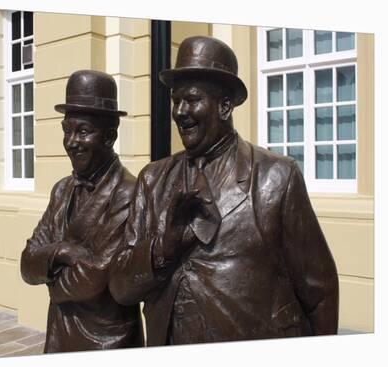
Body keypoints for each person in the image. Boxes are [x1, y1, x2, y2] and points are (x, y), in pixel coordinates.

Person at [109, 36, 339, 346]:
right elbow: (122, 287)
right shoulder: (153, 180)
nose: (179, 111)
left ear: (225, 106)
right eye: (176, 100)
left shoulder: (275, 176)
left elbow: (319, 291)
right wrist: (164, 247)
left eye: (191, 99)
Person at [20, 70, 144, 353]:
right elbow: (27, 264)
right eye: (67, 130)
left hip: (108, 341)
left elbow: (91, 279)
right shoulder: (62, 190)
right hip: (60, 334)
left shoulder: (130, 192)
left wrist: (51, 280)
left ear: (109, 137)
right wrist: (62, 251)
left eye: (83, 131)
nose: (71, 141)